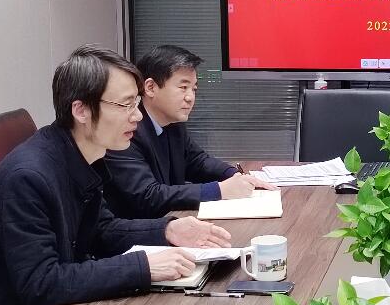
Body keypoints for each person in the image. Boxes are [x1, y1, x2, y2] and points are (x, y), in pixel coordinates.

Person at [0, 45, 231, 305]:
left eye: (136, 103)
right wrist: (143, 266)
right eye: (125, 105)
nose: (137, 115)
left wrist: (168, 230)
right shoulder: (27, 177)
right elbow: (41, 283)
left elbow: (101, 230)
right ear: (81, 110)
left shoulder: (82, 156)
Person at [103, 45, 274, 218]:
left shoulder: (173, 123)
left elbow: (197, 162)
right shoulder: (126, 130)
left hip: (171, 220)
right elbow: (148, 195)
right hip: (135, 230)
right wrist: (219, 190)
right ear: (150, 87)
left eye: (194, 89)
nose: (190, 97)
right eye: (183, 87)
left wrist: (234, 175)